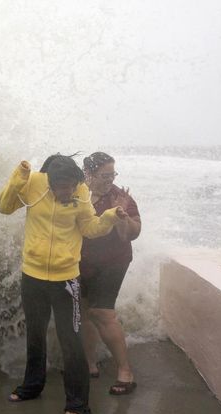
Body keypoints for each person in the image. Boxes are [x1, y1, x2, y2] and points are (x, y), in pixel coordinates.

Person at [0, 154, 129, 414]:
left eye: (71, 185)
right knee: (35, 335)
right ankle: (31, 387)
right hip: (32, 275)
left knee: (71, 340)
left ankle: (78, 403)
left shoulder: (80, 190)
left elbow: (91, 228)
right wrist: (19, 175)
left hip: (66, 280)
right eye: (62, 187)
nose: (67, 191)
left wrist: (112, 216)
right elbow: (5, 206)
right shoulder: (34, 183)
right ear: (49, 182)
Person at [80, 152, 141, 395]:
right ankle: (89, 364)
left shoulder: (120, 197)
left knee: (101, 312)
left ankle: (125, 372)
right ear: (88, 174)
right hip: (81, 261)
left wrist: (122, 218)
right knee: (83, 312)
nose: (110, 180)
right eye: (105, 175)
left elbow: (132, 233)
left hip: (113, 262)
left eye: (112, 174)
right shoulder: (77, 193)